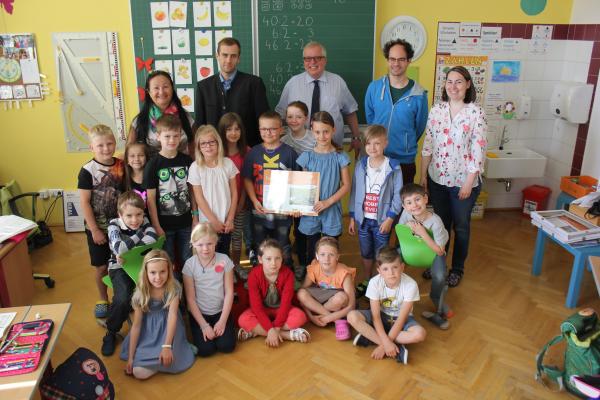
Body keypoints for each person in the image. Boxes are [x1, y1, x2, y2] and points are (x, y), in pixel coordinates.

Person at [420, 66, 487, 288]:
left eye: (459, 82)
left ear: (468, 84)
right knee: (440, 224)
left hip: (463, 183)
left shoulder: (475, 112)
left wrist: (468, 182)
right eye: (449, 81)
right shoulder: (437, 110)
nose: (453, 86)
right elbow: (428, 145)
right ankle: (438, 263)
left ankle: (457, 269)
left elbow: (478, 150)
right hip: (437, 179)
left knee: (460, 227)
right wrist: (423, 177)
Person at [275, 41, 362, 155]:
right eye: (308, 58)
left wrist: (356, 137)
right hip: (299, 151)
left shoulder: (338, 82)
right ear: (304, 61)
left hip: (332, 150)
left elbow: (350, 112)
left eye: (318, 58)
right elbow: (280, 114)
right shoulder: (292, 84)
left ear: (325, 60)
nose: (312, 62)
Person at [121, 250, 195, 379]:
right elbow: (137, 325)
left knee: (172, 358)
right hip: (148, 330)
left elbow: (172, 316)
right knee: (138, 372)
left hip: (169, 327)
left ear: (169, 270)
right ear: (146, 273)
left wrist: (166, 346)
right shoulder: (140, 293)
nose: (158, 277)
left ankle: (181, 348)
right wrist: (131, 358)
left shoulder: (174, 287)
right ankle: (155, 362)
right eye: (153, 272)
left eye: (162, 272)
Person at [364, 39, 429, 185]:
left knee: (402, 204)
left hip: (404, 160)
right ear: (387, 60)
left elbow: (419, 128)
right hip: (377, 157)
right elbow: (370, 121)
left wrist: (405, 143)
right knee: (377, 204)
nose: (396, 64)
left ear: (409, 61)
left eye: (401, 59)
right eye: (392, 59)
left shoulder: (419, 94)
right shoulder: (374, 88)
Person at [347, 247, 426, 364]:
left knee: (420, 334)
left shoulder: (411, 285)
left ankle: (371, 338)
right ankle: (395, 347)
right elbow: (376, 317)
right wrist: (386, 344)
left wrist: (383, 346)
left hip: (401, 319)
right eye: (385, 269)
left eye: (395, 267)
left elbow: (401, 319)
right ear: (379, 270)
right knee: (352, 316)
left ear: (402, 267)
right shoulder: (374, 282)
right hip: (381, 316)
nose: (391, 273)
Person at [348, 125, 403, 295]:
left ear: (385, 143)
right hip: (363, 220)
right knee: (366, 252)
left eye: (377, 143)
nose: (372, 148)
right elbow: (355, 191)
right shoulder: (361, 165)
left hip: (382, 221)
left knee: (381, 253)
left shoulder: (393, 167)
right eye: (368, 143)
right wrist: (352, 216)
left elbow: (398, 195)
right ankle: (368, 279)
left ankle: (381, 282)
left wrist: (390, 218)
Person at [102, 191, 158, 356]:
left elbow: (153, 239)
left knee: (162, 287)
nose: (135, 220)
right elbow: (119, 248)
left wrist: (129, 245)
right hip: (119, 267)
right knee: (122, 298)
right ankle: (111, 332)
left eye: (139, 215)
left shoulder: (145, 220)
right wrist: (141, 234)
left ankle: (156, 331)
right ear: (120, 215)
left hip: (142, 265)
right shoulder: (114, 225)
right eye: (129, 216)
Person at [77, 124, 124, 318]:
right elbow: (85, 203)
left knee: (121, 262)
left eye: (110, 143)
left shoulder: (121, 165)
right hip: (98, 228)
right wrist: (95, 229)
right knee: (102, 266)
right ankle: (103, 298)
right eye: (100, 145)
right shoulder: (87, 171)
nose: (106, 149)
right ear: (92, 148)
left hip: (120, 227)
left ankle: (122, 295)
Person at [242, 111, 299, 268]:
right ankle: (260, 273)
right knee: (260, 242)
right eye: (264, 129)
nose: (268, 132)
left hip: (282, 211)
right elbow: (247, 179)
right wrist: (254, 201)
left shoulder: (290, 153)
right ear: (259, 130)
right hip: (259, 209)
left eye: (273, 129)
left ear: (281, 129)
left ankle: (286, 273)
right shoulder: (253, 153)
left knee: (283, 243)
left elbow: (298, 181)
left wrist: (294, 205)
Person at [296, 111, 350, 271]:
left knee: (330, 250)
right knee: (312, 250)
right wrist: (298, 207)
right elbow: (301, 187)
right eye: (318, 132)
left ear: (333, 130)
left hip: (331, 209)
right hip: (311, 211)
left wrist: (327, 202)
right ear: (312, 131)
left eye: (326, 131)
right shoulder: (307, 157)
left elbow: (346, 185)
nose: (322, 136)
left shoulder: (340, 156)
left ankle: (330, 279)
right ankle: (312, 278)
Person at [194, 37, 269, 147]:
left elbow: (263, 120)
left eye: (233, 56)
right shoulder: (203, 87)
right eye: (225, 55)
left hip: (246, 151)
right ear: (217, 56)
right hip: (214, 152)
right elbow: (200, 125)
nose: (228, 60)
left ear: (238, 58)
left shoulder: (254, 84)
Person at [144, 115, 197, 269]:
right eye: (167, 136)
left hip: (186, 223)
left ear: (181, 136)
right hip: (164, 225)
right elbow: (151, 199)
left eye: (175, 136)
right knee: (168, 262)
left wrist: (195, 217)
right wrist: (156, 225)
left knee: (187, 259)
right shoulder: (153, 165)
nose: (172, 140)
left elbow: (192, 192)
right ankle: (173, 293)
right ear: (158, 136)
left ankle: (188, 291)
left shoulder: (187, 161)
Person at [399, 183, 452, 330]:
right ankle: (394, 295)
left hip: (434, 251)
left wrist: (422, 233)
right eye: (409, 202)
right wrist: (409, 230)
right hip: (413, 249)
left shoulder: (436, 222)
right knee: (391, 260)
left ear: (425, 199)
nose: (414, 205)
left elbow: (440, 251)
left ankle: (435, 297)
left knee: (440, 276)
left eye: (417, 199)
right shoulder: (405, 214)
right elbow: (402, 234)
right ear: (404, 206)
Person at [237, 239, 310, 347]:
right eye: (268, 259)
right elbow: (256, 307)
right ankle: (289, 335)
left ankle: (255, 332)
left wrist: (275, 328)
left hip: (281, 310)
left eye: (277, 258)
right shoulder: (254, 275)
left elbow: (285, 304)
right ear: (260, 259)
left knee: (300, 317)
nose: (273, 263)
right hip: (262, 310)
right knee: (243, 319)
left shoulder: (288, 274)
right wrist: (271, 330)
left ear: (282, 259)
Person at [183, 223, 236, 357]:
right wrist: (204, 325)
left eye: (209, 244)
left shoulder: (224, 260)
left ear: (216, 242)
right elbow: (190, 299)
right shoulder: (190, 265)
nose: (205, 249)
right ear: (193, 244)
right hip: (200, 314)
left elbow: (229, 292)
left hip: (220, 311)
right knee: (206, 350)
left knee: (227, 346)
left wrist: (223, 320)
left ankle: (224, 324)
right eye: (200, 245)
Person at [188, 125, 238, 256]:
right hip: (207, 223)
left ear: (218, 143)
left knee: (224, 254)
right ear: (198, 147)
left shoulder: (228, 164)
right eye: (203, 143)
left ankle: (224, 276)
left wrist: (231, 218)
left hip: (225, 222)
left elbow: (234, 193)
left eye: (211, 142)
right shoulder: (195, 167)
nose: (208, 146)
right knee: (207, 255)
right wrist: (213, 221)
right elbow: (199, 198)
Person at [296, 237, 355, 340]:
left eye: (331, 255)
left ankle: (324, 314)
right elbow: (302, 295)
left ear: (337, 257)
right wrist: (311, 317)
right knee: (300, 293)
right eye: (322, 255)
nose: (326, 259)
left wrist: (329, 318)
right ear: (317, 256)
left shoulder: (344, 273)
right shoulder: (314, 268)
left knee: (341, 298)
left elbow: (351, 305)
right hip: (322, 299)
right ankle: (339, 321)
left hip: (336, 302)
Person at [281, 101, 315, 276]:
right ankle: (289, 262)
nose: (294, 120)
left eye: (298, 116)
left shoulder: (314, 138)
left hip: (308, 191)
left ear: (306, 119)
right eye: (290, 116)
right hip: (287, 192)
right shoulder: (283, 139)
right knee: (288, 227)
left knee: (304, 229)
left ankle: (304, 263)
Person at [128, 70, 194, 157]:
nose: (161, 92)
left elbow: (195, 145)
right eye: (156, 88)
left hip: (182, 166)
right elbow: (129, 151)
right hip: (152, 167)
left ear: (172, 88)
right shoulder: (139, 121)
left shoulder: (185, 117)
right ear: (148, 92)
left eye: (165, 87)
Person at [217, 112, 252, 273]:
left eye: (237, 129)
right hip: (220, 206)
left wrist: (240, 203)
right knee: (221, 238)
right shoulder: (217, 153)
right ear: (222, 131)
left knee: (237, 236)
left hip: (240, 204)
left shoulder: (247, 152)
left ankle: (237, 265)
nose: (233, 133)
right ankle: (221, 267)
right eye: (229, 129)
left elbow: (247, 182)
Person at [124, 143, 148, 208]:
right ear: (127, 160)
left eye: (141, 155)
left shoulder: (152, 176)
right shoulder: (124, 178)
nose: (137, 159)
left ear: (146, 158)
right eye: (132, 156)